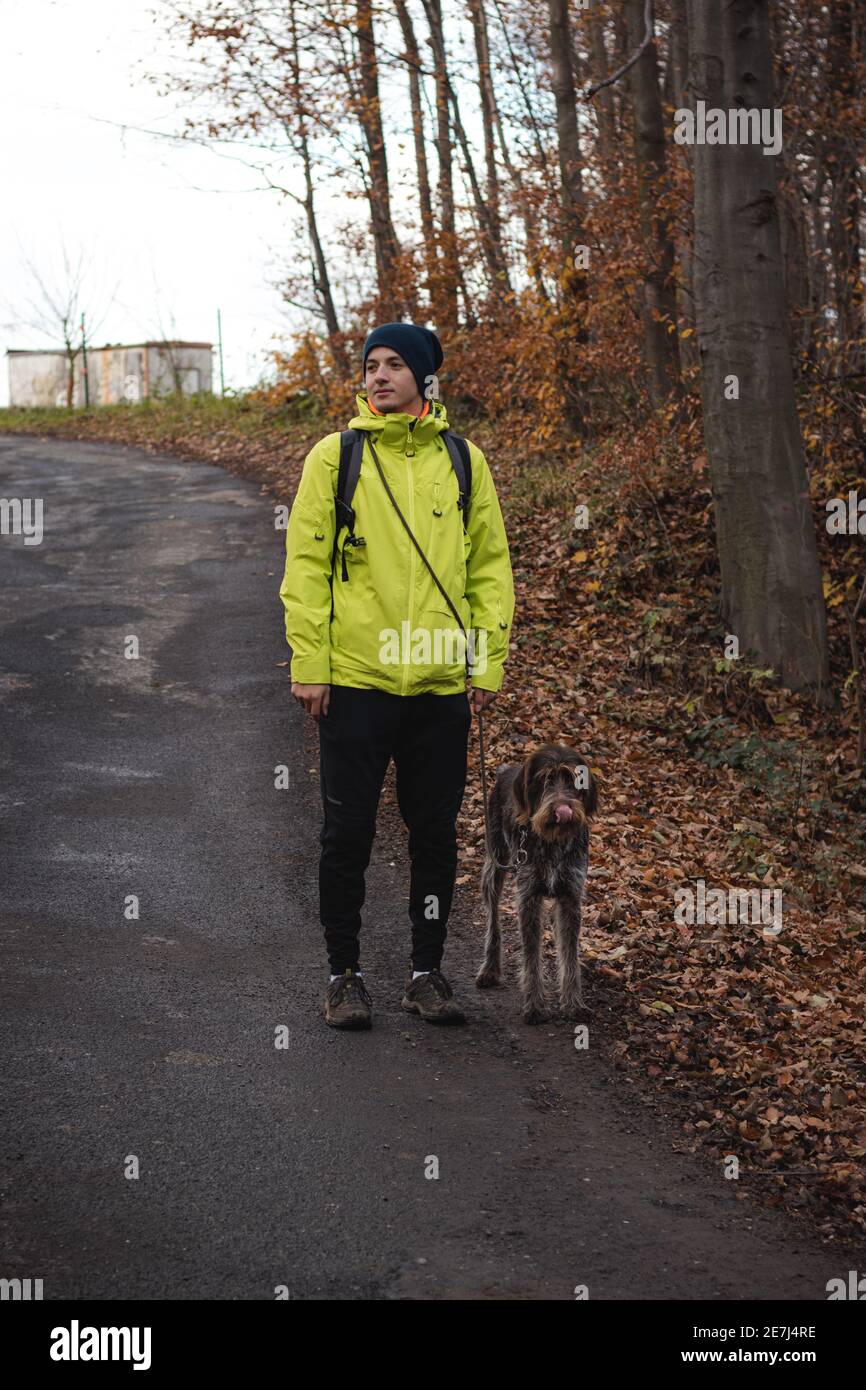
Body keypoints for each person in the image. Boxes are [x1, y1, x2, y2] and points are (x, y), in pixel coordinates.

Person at [279, 322, 515, 1029]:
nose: (379, 375)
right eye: (370, 365)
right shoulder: (335, 457)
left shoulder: (464, 462)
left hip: (440, 687)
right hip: (355, 680)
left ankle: (426, 971)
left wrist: (485, 661)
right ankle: (343, 973)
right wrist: (310, 663)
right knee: (346, 834)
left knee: (434, 835)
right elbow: (307, 568)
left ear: (424, 376)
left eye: (394, 365)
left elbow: (489, 570)